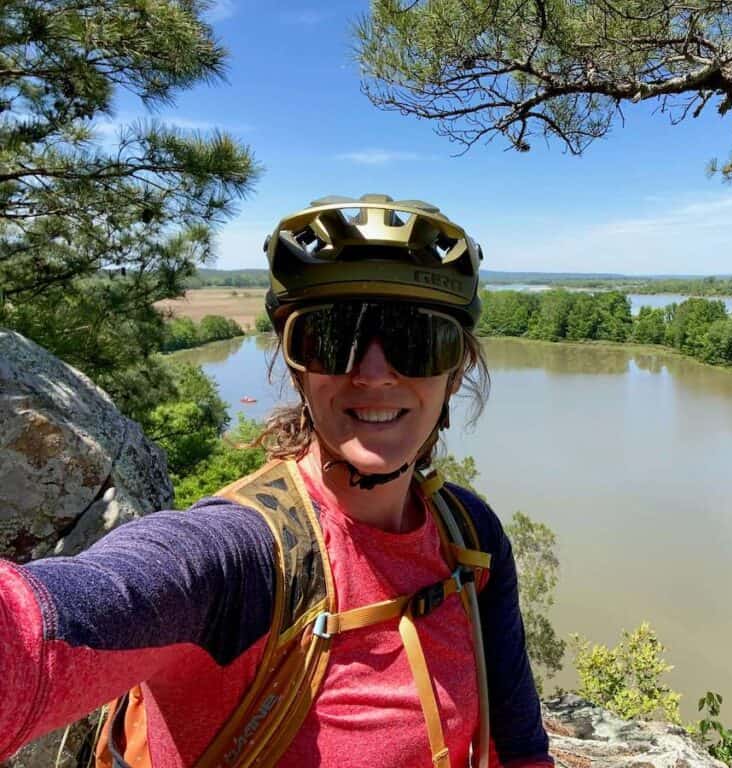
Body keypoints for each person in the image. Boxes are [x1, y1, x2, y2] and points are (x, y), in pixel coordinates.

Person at [0, 195, 553, 768]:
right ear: (298, 366)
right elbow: (39, 629)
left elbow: (520, 745)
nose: (372, 373)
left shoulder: (469, 536)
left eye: (416, 342)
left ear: (455, 370)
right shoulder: (237, 560)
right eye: (334, 340)